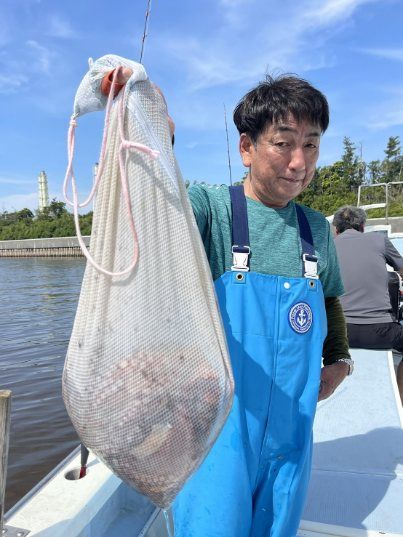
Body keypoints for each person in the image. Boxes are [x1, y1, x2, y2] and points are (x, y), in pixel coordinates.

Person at [100, 63, 352, 536]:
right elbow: (155, 210)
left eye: (311, 145)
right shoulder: (212, 209)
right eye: (283, 143)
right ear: (246, 148)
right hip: (217, 434)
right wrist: (152, 130)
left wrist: (339, 359)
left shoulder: (316, 229)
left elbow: (330, 299)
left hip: (293, 434)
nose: (299, 162)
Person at [333, 205, 403, 404]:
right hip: (381, 332)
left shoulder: (328, 245)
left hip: (337, 334)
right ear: (363, 227)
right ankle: (400, 401)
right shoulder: (379, 240)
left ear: (336, 229)